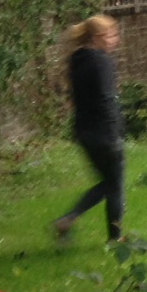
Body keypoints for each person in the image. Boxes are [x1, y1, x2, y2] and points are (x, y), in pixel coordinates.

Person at [54, 14, 125, 242]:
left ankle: (68, 219)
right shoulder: (101, 61)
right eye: (111, 35)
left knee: (107, 183)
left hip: (83, 132)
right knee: (114, 187)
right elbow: (106, 99)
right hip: (104, 132)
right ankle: (115, 240)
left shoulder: (77, 60)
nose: (115, 40)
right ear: (97, 37)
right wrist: (115, 131)